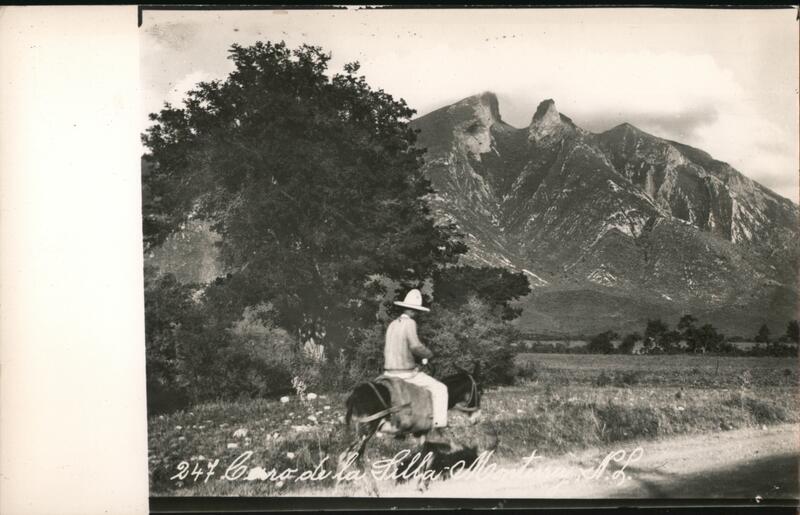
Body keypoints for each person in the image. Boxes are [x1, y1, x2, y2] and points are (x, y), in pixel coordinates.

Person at [383, 289, 448, 431]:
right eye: (417, 311)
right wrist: (429, 355)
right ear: (413, 311)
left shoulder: (392, 324)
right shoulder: (410, 323)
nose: (417, 314)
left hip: (387, 373)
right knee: (440, 389)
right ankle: (439, 427)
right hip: (404, 373)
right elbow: (415, 346)